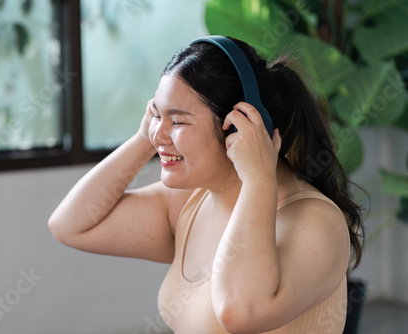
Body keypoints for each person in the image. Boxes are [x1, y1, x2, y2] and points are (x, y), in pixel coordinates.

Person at [48, 35, 365, 334]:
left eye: (179, 120)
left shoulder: (317, 222)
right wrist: (143, 139)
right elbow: (70, 225)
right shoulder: (190, 201)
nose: (160, 135)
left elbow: (241, 312)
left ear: (237, 128)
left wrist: (257, 180)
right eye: (157, 116)